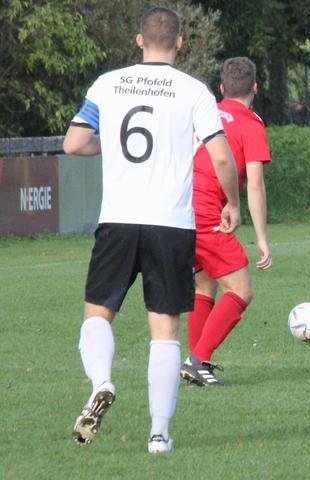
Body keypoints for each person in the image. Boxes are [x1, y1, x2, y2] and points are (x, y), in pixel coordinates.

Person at [63, 6, 241, 454]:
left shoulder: (108, 84)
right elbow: (222, 157)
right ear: (179, 43)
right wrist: (233, 204)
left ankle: (102, 381)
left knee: (97, 314)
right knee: (165, 331)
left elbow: (74, 142)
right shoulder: (194, 91)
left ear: (139, 40)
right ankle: (159, 434)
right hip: (171, 224)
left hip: (118, 219)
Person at [180, 57, 272, 387]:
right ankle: (197, 360)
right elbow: (256, 184)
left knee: (204, 285)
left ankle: (196, 364)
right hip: (206, 210)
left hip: (180, 206)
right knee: (241, 290)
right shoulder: (251, 123)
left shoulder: (207, 111)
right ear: (255, 89)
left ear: (222, 89)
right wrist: (261, 237)